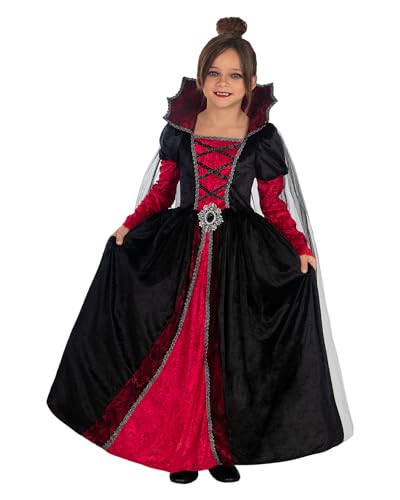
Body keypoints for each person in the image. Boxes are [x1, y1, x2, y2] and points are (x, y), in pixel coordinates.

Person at [46, 16, 354, 484]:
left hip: (238, 259)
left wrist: (299, 247)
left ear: (251, 82)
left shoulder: (261, 137)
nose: (222, 83)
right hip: (181, 251)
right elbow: (162, 190)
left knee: (230, 351)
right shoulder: (181, 131)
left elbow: (273, 203)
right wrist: (130, 225)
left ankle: (221, 449)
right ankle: (181, 448)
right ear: (200, 76)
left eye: (234, 75)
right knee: (179, 348)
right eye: (214, 73)